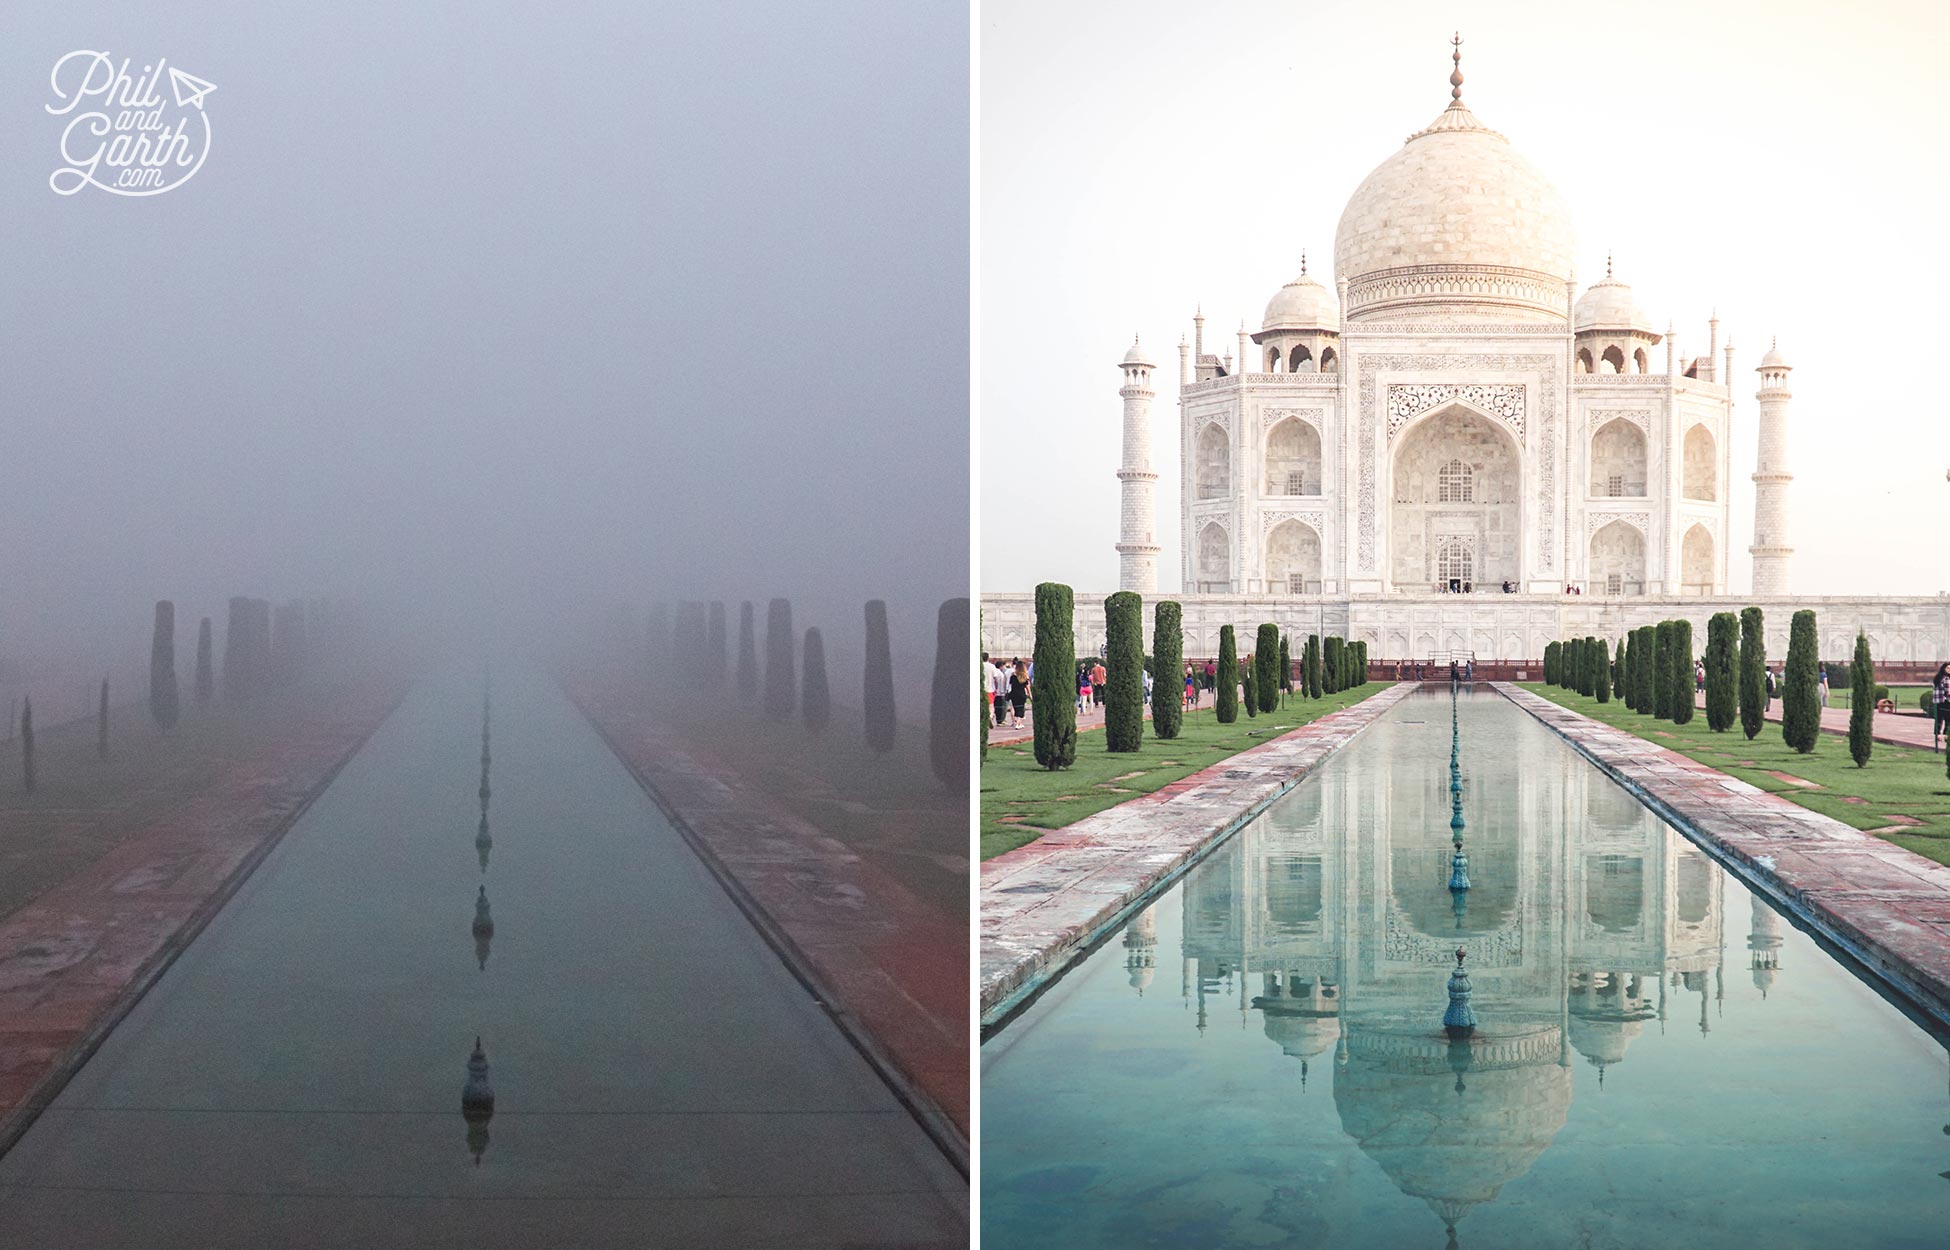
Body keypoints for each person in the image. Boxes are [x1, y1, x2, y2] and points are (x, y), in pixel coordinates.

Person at [1932, 662, 1950, 752]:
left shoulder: (1937, 678)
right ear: (1944, 669)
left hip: (1938, 701)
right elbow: (1948, 691)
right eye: (1948, 668)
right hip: (1946, 701)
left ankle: (1937, 735)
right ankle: (1946, 735)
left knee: (1939, 718)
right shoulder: (1946, 678)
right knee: (1948, 719)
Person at [1008, 659, 1030, 728]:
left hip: (1014, 694)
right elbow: (1027, 687)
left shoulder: (1013, 676)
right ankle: (1018, 723)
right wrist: (1030, 695)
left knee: (1016, 708)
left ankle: (1019, 723)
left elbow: (1011, 685)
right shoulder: (1025, 676)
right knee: (1021, 708)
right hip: (1021, 694)